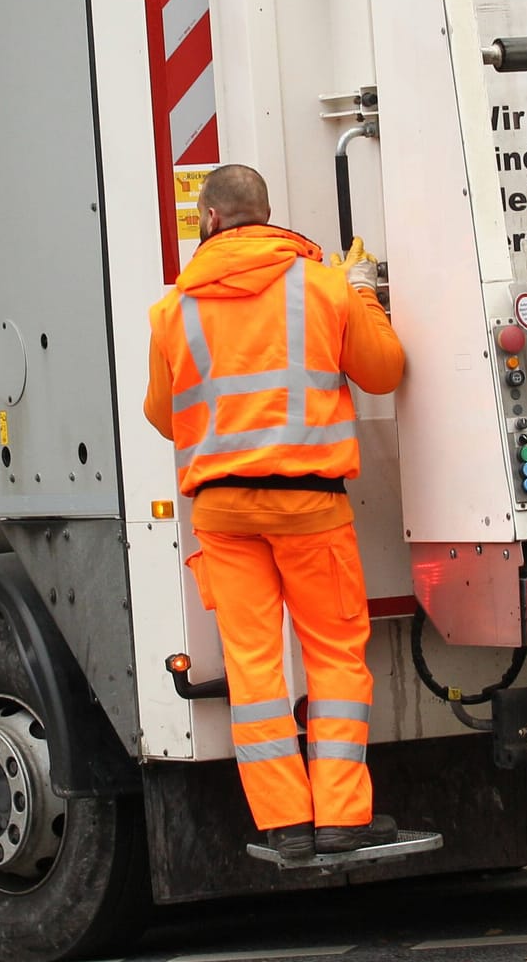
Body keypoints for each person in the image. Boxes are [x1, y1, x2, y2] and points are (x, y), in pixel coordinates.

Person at [144, 164, 405, 861]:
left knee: (255, 669)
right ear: (267, 214)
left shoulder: (174, 310)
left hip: (224, 515)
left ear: (211, 222)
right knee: (334, 659)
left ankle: (284, 823)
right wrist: (364, 296)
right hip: (311, 510)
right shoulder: (322, 288)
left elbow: (163, 417)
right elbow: (384, 371)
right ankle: (343, 817)